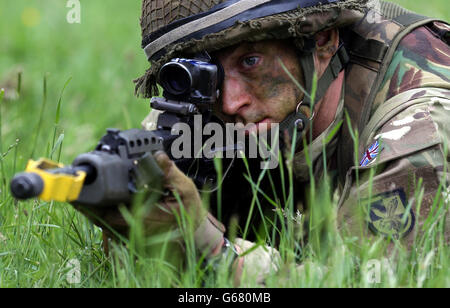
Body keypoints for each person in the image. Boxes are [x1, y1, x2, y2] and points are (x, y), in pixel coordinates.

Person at [78, 0, 450, 285]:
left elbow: (371, 278)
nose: (228, 103)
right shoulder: (215, 106)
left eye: (251, 61)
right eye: (206, 72)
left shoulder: (419, 127)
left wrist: (213, 251)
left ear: (321, 40)